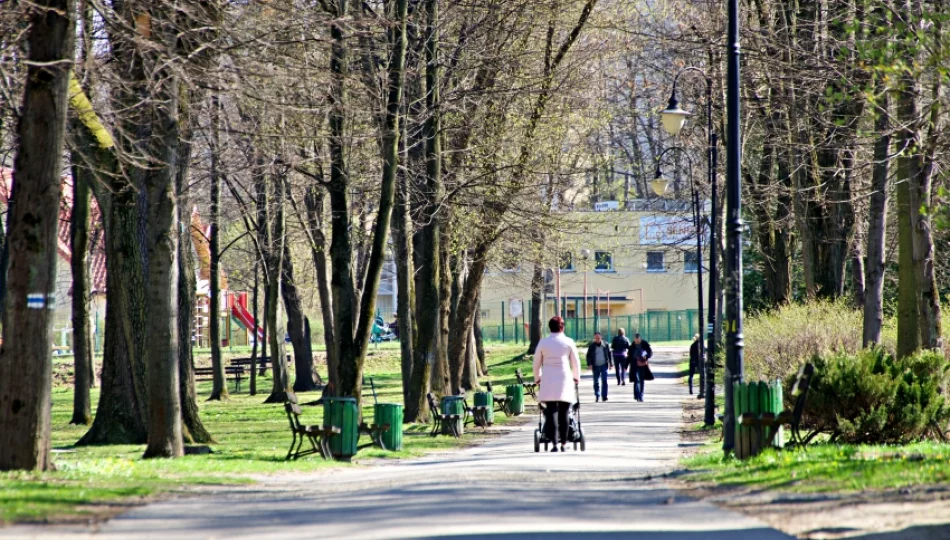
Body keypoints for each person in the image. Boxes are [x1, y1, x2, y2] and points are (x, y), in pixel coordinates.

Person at [533, 316, 581, 453]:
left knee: (551, 411)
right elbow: (575, 362)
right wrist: (576, 377)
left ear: (549, 327)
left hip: (548, 378)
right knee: (565, 412)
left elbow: (536, 363)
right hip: (564, 378)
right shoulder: (568, 342)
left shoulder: (543, 343)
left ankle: (554, 443)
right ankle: (564, 443)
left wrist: (538, 378)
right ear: (562, 327)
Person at [585, 332, 612, 402]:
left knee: (604, 381)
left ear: (601, 337)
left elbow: (609, 354)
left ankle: (604, 396)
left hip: (604, 365)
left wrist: (611, 364)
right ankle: (597, 395)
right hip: (595, 366)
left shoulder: (605, 345)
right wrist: (589, 364)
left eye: (598, 338)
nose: (597, 339)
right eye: (596, 338)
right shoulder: (592, 346)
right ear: (594, 338)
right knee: (596, 382)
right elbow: (588, 356)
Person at [630, 333, 653, 402]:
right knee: (636, 379)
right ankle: (637, 394)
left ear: (640, 339)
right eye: (636, 340)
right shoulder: (632, 345)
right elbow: (629, 356)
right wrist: (625, 366)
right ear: (634, 339)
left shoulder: (644, 343)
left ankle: (641, 395)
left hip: (642, 364)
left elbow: (650, 352)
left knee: (641, 380)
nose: (637, 341)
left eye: (638, 340)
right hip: (634, 364)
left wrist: (646, 357)